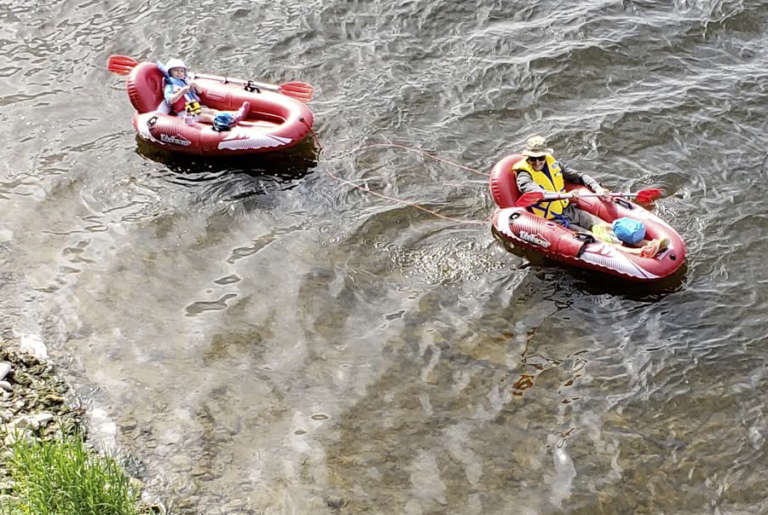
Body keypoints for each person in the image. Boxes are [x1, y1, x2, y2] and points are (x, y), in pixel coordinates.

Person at [514, 135, 668, 256]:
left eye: (540, 158)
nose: (537, 162)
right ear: (528, 158)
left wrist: (597, 188)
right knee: (592, 238)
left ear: (545, 156)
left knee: (604, 226)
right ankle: (638, 253)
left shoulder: (554, 165)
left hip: (569, 210)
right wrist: (564, 196)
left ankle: (648, 244)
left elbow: (580, 176)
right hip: (553, 220)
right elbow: (536, 193)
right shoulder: (523, 175)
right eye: (532, 159)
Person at [162, 59, 249, 127]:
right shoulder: (170, 86)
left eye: (181, 71)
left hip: (193, 106)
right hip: (184, 112)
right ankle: (228, 121)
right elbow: (170, 100)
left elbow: (200, 91)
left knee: (213, 111)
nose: (179, 73)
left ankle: (235, 114)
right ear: (170, 72)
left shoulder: (185, 82)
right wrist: (182, 91)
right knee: (207, 117)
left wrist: (194, 85)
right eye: (176, 70)